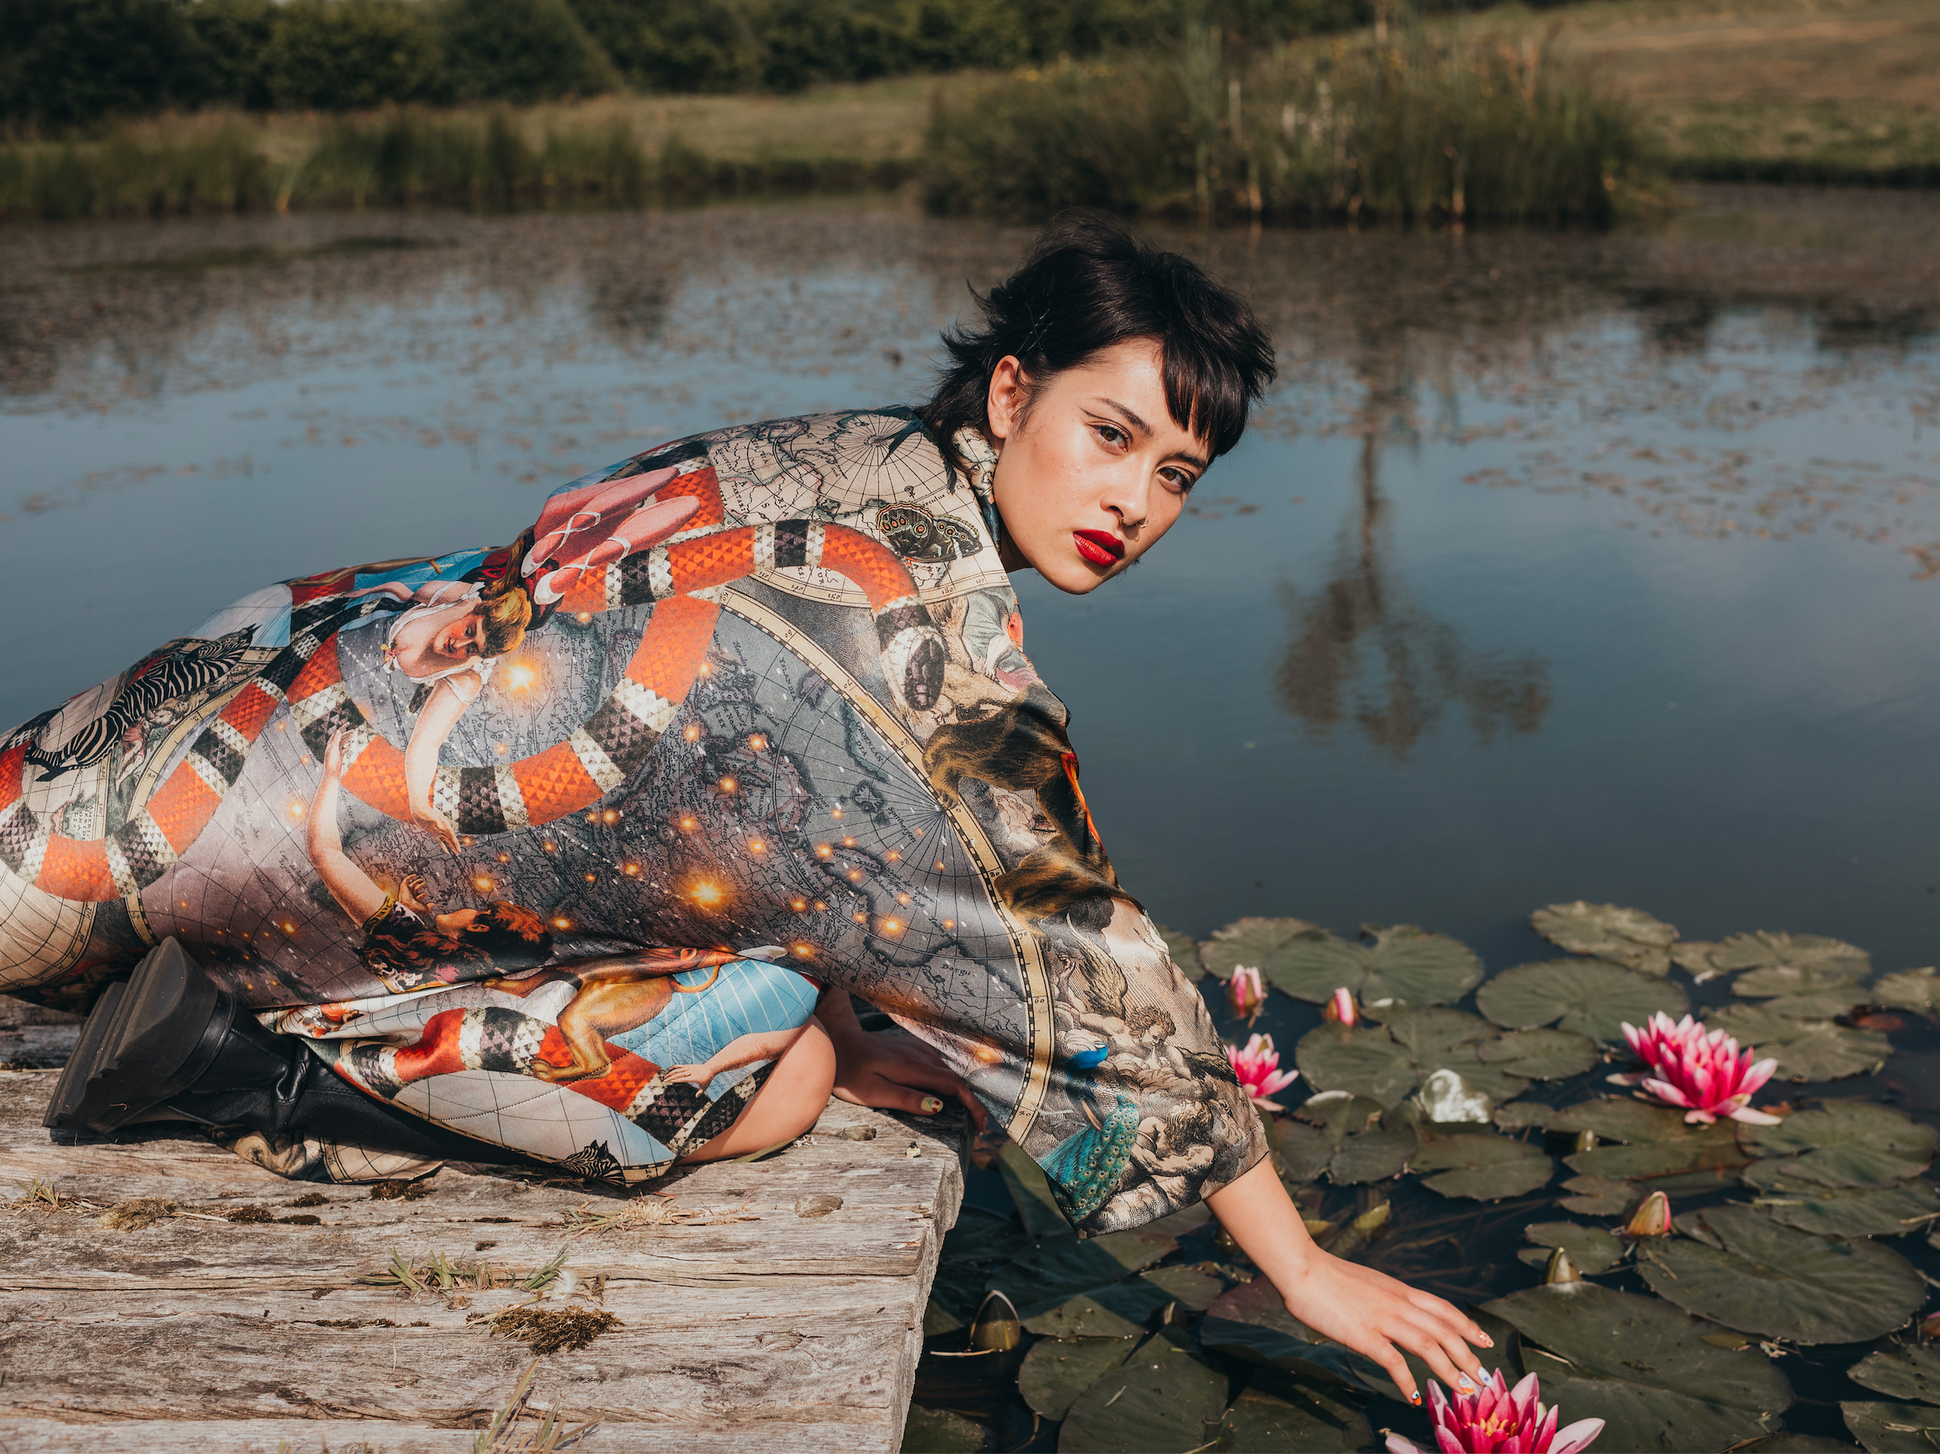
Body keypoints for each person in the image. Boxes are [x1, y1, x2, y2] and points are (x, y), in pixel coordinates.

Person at [10, 214, 1491, 1406]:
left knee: (813, 1007)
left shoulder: (837, 459)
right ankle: (235, 1068)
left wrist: (872, 998)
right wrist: (1295, 1265)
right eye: (1109, 434)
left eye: (1176, 474)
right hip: (259, 868)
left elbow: (744, 797)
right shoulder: (926, 650)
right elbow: (1068, 948)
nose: (1138, 503)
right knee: (770, 1071)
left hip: (250, 684)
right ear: (1014, 392)